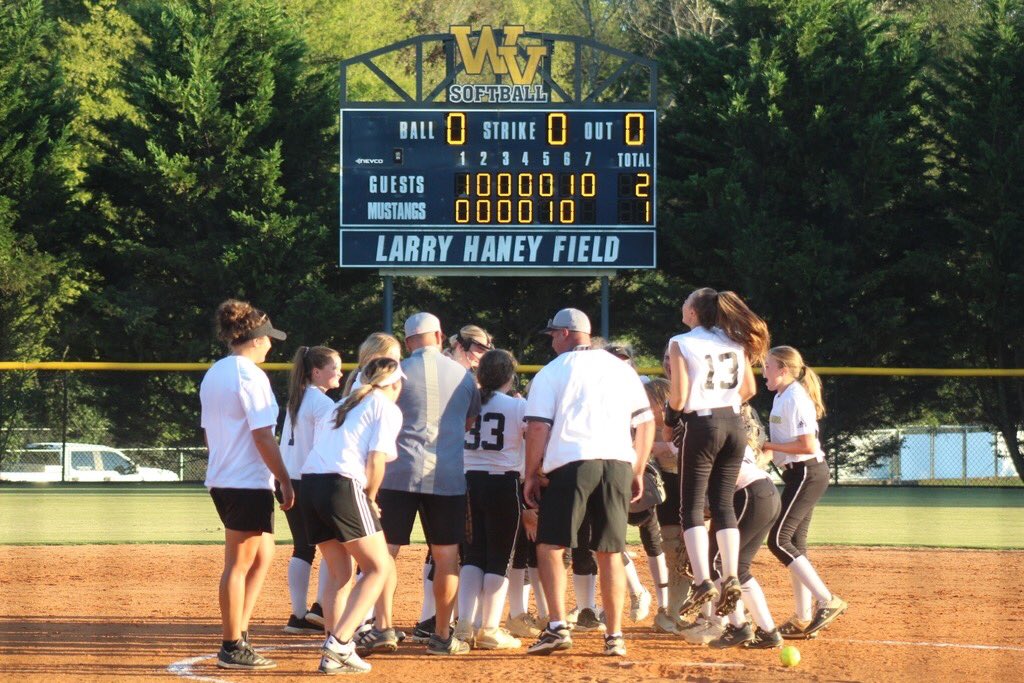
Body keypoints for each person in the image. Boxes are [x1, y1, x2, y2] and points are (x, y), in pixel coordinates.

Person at [523, 308, 655, 657]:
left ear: (567, 333)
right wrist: (638, 469)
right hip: (617, 463)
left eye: (554, 334)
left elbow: (537, 427)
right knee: (610, 550)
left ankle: (556, 627)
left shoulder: (553, 370)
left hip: (572, 462)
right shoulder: (621, 368)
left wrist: (531, 473)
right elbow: (646, 423)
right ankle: (614, 637)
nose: (552, 341)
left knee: (551, 546)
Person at [376, 312, 481, 655]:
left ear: (407, 342)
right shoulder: (464, 376)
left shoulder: (396, 372)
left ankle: (382, 627)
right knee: (446, 556)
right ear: (439, 335)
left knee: (386, 553)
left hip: (397, 473)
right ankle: (441, 635)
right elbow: (468, 422)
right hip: (447, 476)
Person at [200, 298, 294, 670]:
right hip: (245, 481)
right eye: (268, 338)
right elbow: (263, 436)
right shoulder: (251, 375)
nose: (270, 345)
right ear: (255, 339)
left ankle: (240, 630)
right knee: (238, 564)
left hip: (227, 478)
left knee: (263, 554)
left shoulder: (215, 372)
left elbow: (208, 433)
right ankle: (231, 645)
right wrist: (284, 478)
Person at [665, 288, 769, 619]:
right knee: (723, 505)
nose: (683, 306)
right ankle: (732, 577)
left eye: (686, 302)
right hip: (734, 424)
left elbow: (678, 396)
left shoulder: (680, 342)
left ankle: (703, 581)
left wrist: (669, 421)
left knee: (692, 507)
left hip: (702, 424)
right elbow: (749, 389)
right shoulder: (734, 340)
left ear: (693, 312)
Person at [300, 357, 405, 674]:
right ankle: (340, 644)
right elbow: (376, 460)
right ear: (394, 384)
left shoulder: (343, 403)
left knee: (340, 573)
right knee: (379, 566)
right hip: (340, 485)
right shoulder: (385, 407)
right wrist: (370, 498)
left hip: (310, 484)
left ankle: (333, 650)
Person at [762, 345, 847, 639]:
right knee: (794, 542)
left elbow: (807, 445)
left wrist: (767, 446)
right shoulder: (781, 396)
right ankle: (802, 618)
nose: (763, 371)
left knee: (778, 540)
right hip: (798, 474)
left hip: (808, 472)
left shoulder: (795, 397)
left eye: (768, 366)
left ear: (784, 370)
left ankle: (827, 600)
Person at [454, 349, 526, 650]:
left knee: (473, 555)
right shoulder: (517, 406)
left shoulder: (464, 402)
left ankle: (463, 625)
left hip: (467, 482)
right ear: (509, 376)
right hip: (502, 482)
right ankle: (490, 628)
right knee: (500, 557)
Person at [703, 403, 784, 649]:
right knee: (738, 568)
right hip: (767, 493)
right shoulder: (736, 434)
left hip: (749, 494)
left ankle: (738, 626)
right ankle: (768, 632)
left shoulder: (711, 432)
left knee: (717, 563)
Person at [279, 345, 343, 635]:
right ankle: (320, 609)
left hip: (288, 478)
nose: (339, 373)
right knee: (335, 544)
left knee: (303, 546)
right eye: (334, 367)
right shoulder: (322, 403)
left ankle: (299, 615)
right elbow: (324, 448)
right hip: (310, 480)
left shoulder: (298, 397)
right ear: (316, 372)